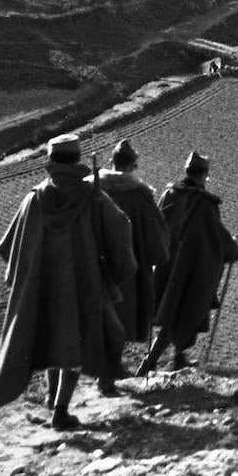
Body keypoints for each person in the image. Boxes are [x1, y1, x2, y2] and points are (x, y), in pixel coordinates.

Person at [0, 133, 136, 430]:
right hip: (83, 282)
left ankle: (50, 397)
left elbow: (14, 244)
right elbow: (121, 227)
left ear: (51, 161)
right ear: (77, 159)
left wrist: (27, 278)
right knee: (76, 341)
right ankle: (61, 409)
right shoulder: (92, 196)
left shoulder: (34, 198)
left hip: (42, 285)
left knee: (52, 337)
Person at [137, 150, 238, 375]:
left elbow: (158, 224)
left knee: (173, 312)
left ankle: (176, 357)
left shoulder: (169, 195)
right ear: (204, 174)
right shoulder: (204, 204)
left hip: (165, 266)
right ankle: (150, 362)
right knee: (180, 313)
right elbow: (216, 236)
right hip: (188, 270)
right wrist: (233, 248)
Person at [95, 139, 170, 394]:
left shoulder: (93, 186)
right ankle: (107, 374)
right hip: (128, 263)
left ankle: (101, 372)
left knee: (99, 317)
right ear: (133, 164)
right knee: (121, 317)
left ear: (112, 161)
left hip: (95, 262)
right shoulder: (139, 193)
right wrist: (156, 255)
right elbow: (156, 230)